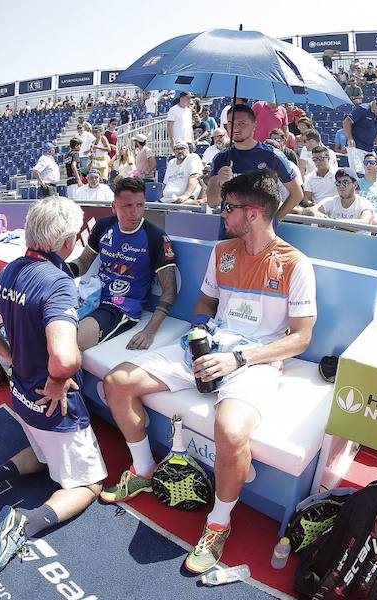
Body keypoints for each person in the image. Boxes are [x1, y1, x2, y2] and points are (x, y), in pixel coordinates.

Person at [98, 170, 317, 574]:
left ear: (252, 213)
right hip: (208, 349)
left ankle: (218, 524)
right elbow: (204, 304)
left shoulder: (295, 264)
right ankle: (144, 469)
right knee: (116, 383)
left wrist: (239, 359)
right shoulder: (223, 252)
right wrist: (199, 332)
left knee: (231, 431)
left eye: (228, 207)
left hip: (254, 361)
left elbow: (301, 339)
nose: (222, 213)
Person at [0, 197, 106, 574]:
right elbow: (65, 358)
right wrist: (59, 380)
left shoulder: (12, 270)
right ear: (65, 242)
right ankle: (25, 522)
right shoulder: (58, 283)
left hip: (21, 396)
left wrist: (6, 354)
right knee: (88, 484)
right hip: (51, 404)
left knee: (44, 456)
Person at [66, 177, 177, 351]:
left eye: (140, 205)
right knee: (44, 326)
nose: (135, 212)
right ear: (114, 207)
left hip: (121, 307)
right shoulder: (103, 226)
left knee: (69, 342)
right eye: (127, 206)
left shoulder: (155, 237)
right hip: (90, 296)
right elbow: (82, 262)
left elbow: (170, 290)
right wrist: (57, 272)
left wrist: (149, 331)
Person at [207, 105, 302, 219]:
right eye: (231, 123)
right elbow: (212, 202)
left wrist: (274, 221)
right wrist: (220, 183)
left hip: (260, 233)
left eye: (242, 123)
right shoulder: (221, 158)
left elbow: (297, 194)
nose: (235, 128)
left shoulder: (272, 155)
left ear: (254, 125)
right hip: (229, 230)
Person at [305, 167, 375, 225]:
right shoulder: (331, 201)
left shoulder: (364, 203)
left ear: (355, 185)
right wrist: (314, 212)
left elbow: (365, 222)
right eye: (338, 183)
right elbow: (307, 211)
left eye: (345, 182)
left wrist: (334, 222)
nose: (341, 186)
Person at [342, 92, 377, 174]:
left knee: (372, 174)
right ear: (374, 101)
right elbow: (346, 121)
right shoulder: (363, 109)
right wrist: (350, 138)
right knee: (358, 173)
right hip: (356, 147)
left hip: (369, 149)